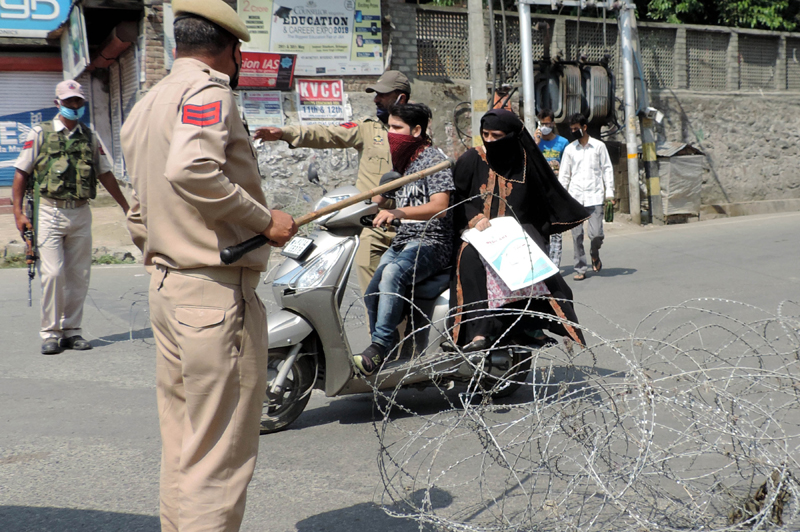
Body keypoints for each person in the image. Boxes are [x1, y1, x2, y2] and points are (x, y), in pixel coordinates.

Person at [120, 0, 297, 530]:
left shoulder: (149, 102)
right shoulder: (208, 91)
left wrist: (163, 243)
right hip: (212, 296)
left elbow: (137, 203)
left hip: (169, 286)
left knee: (184, 447)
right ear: (232, 49)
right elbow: (192, 168)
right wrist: (264, 221)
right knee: (217, 458)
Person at [254, 70, 411, 294]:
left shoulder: (418, 132)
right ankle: (376, 328)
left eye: (383, 95)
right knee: (373, 287)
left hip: (410, 220)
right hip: (374, 223)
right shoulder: (367, 128)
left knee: (408, 291)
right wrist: (285, 133)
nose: (376, 99)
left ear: (401, 98)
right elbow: (328, 133)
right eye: (376, 94)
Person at [449, 109, 588, 351]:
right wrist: (473, 216)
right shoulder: (473, 158)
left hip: (515, 235)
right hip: (477, 235)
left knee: (528, 261)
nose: (490, 141)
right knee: (470, 258)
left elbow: (540, 205)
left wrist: (525, 233)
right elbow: (456, 197)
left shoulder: (526, 163)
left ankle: (528, 325)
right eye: (485, 135)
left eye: (497, 135)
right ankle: (479, 331)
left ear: (512, 136)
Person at [11, 79, 130, 355]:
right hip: (49, 211)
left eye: (78, 102)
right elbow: (21, 174)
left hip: (80, 212)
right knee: (53, 274)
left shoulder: (89, 136)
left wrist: (126, 206)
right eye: (69, 102)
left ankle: (72, 331)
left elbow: (105, 174)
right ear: (58, 104)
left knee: (79, 275)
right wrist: (18, 214)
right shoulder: (40, 134)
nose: (74, 106)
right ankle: (50, 333)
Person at [354, 103, 454, 375]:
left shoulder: (434, 161)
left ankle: (380, 346)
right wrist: (380, 198)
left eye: (397, 128)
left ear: (417, 130)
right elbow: (379, 201)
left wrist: (397, 211)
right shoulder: (403, 164)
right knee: (372, 291)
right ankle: (388, 344)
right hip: (403, 241)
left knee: (392, 274)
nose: (391, 134)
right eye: (389, 128)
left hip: (432, 242)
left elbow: (440, 206)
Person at [559, 113, 615, 281]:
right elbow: (564, 176)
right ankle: (580, 268)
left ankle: (594, 253)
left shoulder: (598, 147)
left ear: (584, 127)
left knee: (596, 234)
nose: (574, 131)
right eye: (572, 129)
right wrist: (562, 198)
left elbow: (607, 169)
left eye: (577, 128)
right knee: (576, 236)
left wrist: (609, 192)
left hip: (595, 196)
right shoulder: (569, 149)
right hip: (575, 197)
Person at [533, 108, 570, 268]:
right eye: (542, 124)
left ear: (553, 123)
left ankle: (554, 265)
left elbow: (568, 167)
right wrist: (536, 143)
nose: (545, 127)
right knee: (541, 228)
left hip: (556, 191)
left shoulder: (563, 143)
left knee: (556, 229)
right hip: (539, 191)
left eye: (548, 123)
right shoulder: (535, 142)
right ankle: (544, 263)